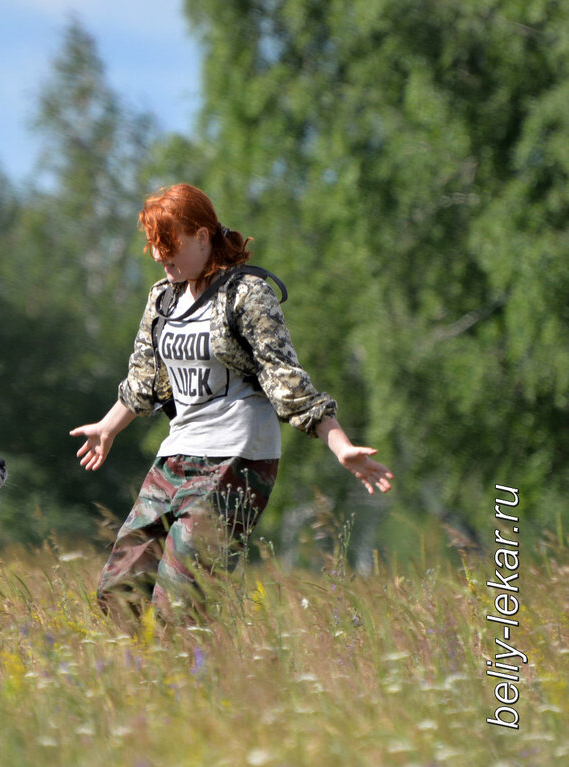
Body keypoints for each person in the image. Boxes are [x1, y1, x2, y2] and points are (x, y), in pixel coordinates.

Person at [70, 184, 393, 621]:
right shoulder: (162, 299)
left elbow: (286, 379)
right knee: (120, 590)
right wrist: (108, 427)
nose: (162, 258)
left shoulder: (246, 294)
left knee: (180, 601)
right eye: (154, 247)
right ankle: (145, 679)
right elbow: (143, 377)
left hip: (237, 460)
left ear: (203, 237)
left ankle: (199, 677)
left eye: (172, 246)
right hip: (178, 456)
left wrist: (340, 445)